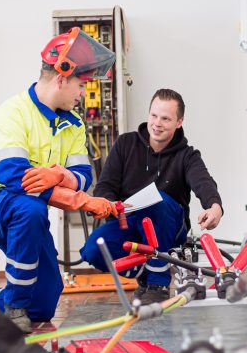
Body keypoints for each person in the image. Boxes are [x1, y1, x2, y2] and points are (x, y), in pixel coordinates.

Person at [0, 28, 118, 333]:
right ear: (61, 78)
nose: (83, 94)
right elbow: (14, 176)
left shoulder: (74, 125)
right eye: (82, 85)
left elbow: (84, 177)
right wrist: (80, 199)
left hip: (27, 204)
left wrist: (60, 175)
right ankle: (15, 307)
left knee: (45, 300)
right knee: (29, 209)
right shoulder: (13, 113)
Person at [80, 88, 223, 304]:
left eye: (165, 118)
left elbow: (203, 182)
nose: (157, 123)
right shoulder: (125, 144)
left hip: (168, 226)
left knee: (159, 201)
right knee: (93, 249)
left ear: (179, 122)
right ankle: (145, 277)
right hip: (127, 223)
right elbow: (105, 187)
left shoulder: (187, 156)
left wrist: (214, 207)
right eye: (154, 115)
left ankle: (159, 283)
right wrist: (111, 206)